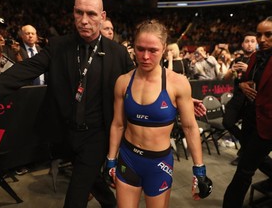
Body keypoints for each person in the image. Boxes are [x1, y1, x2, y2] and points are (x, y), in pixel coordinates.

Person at [0, 0, 135, 208]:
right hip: (65, 135)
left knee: (76, 195)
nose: (84, 20)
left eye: (91, 14)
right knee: (92, 180)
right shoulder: (58, 45)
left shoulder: (118, 53)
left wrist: (175, 93)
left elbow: (139, 83)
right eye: (78, 12)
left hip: (97, 136)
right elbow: (27, 68)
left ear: (102, 16)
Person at [105, 19, 212, 208]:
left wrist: (199, 169)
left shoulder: (177, 83)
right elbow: (118, 124)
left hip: (159, 164)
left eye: (152, 50)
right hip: (128, 158)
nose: (145, 56)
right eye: (140, 49)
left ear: (163, 48)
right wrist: (111, 159)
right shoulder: (123, 82)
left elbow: (189, 127)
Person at [223, 16, 272, 208]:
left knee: (243, 172)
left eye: (268, 35)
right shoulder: (254, 57)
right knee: (251, 164)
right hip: (250, 121)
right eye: (259, 34)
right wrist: (241, 84)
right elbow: (245, 82)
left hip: (267, 125)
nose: (262, 39)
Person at [222, 31, 257, 166]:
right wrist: (231, 71)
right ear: (242, 44)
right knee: (227, 122)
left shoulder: (259, 59)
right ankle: (247, 146)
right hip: (237, 97)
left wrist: (248, 69)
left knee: (249, 129)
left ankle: (244, 154)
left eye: (252, 41)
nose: (249, 44)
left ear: (256, 43)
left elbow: (259, 80)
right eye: (247, 41)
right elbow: (225, 79)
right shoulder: (238, 59)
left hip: (251, 100)